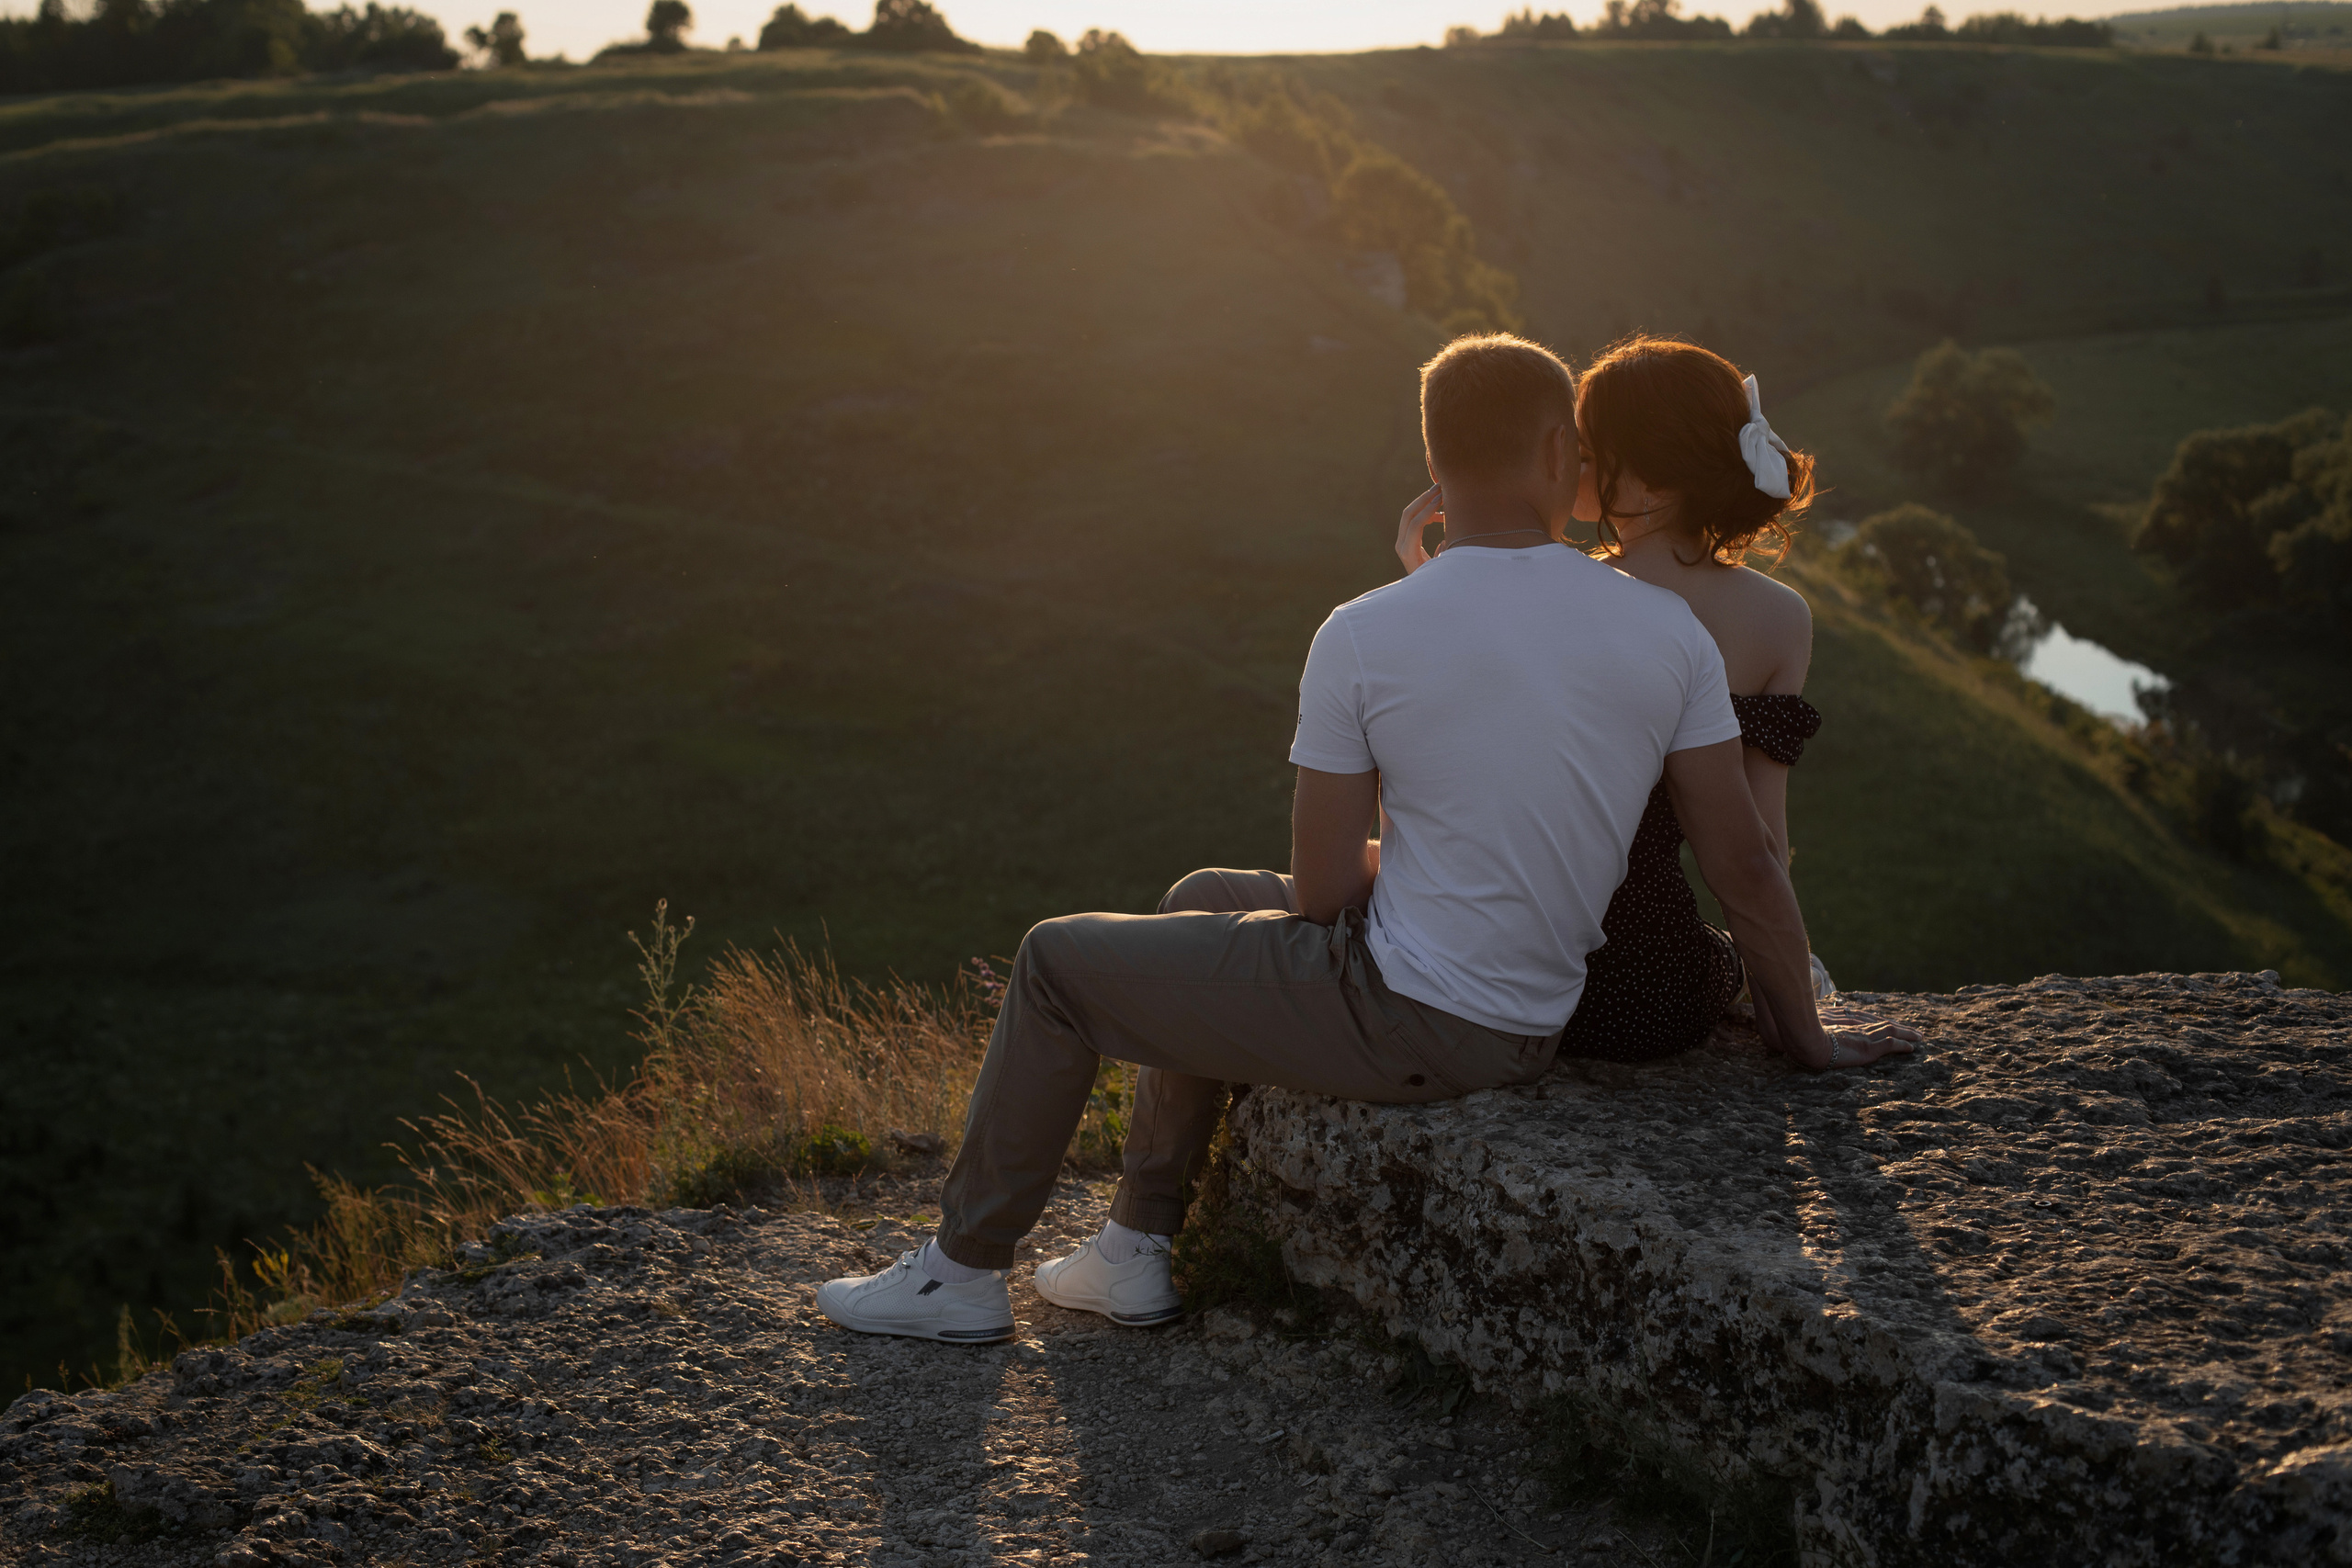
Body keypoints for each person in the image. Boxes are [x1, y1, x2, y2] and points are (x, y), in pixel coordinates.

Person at [816, 334, 1917, 1346]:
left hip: (1431, 1013)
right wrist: (1804, 1035)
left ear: (1437, 468)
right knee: (1203, 894)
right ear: (1552, 450)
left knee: (1058, 961)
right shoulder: (1661, 628)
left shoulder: (1363, 630)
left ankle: (960, 1273)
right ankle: (1133, 1249)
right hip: (1531, 994)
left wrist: (1335, 934)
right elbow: (1744, 867)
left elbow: (1323, 891)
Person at [1394, 333, 1907, 1063]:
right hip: (1648, 992)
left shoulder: (1557, 592)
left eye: (1586, 450)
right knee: (1725, 952)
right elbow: (1759, 846)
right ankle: (1801, 988)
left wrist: (1436, 587)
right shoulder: (1780, 618)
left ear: (1648, 488)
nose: (1564, 458)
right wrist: (1797, 1028)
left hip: (1507, 983)